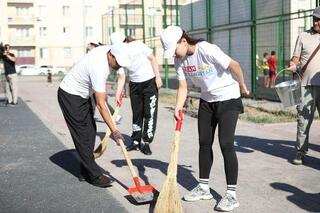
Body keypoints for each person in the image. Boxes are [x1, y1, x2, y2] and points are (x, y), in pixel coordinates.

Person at [160, 26, 249, 212]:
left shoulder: (206, 49)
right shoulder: (179, 60)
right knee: (204, 143)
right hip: (207, 100)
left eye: (174, 49)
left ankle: (231, 195)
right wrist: (178, 106)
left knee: (226, 144)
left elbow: (235, 65)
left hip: (228, 98)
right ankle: (203, 187)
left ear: (184, 41)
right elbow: (183, 87)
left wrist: (241, 86)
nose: (174, 55)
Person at [57, 43, 130, 187]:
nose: (118, 67)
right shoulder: (99, 67)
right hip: (70, 95)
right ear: (111, 55)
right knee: (83, 135)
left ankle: (85, 171)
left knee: (90, 131)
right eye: (118, 63)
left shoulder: (110, 50)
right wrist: (114, 130)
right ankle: (94, 175)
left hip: (83, 95)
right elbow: (101, 105)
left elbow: (102, 94)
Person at [113, 33, 162, 155]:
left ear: (124, 41)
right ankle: (135, 141)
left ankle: (146, 142)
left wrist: (158, 77)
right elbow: (121, 76)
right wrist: (118, 93)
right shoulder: (119, 54)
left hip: (149, 82)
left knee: (149, 113)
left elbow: (152, 59)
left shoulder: (138, 45)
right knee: (137, 113)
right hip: (134, 85)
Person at [288, 6, 320, 165]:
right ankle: (300, 152)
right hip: (305, 86)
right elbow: (295, 58)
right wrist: (293, 65)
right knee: (303, 120)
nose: (316, 22)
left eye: (319, 19)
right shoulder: (303, 36)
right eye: (315, 18)